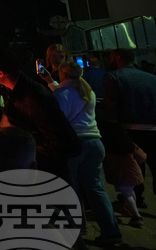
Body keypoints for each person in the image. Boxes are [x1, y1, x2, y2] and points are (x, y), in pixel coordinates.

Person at [0, 48, 80, 180]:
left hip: (47, 177)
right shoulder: (14, 93)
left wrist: (21, 152)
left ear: (0, 72)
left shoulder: (33, 97)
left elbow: (66, 143)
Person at [53, 61, 121, 244]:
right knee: (96, 187)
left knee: (72, 187)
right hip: (95, 142)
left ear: (62, 74)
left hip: (76, 144)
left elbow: (60, 120)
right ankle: (111, 231)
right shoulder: (88, 91)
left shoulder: (62, 93)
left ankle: (76, 231)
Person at [103, 47, 156, 214]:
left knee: (133, 166)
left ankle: (135, 201)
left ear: (118, 58)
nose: (109, 61)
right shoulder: (154, 78)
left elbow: (112, 106)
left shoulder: (113, 77)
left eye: (111, 57)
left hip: (131, 127)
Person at [101, 120, 147, 229]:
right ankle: (132, 211)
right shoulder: (130, 145)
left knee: (127, 193)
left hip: (120, 175)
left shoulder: (110, 149)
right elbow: (142, 157)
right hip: (133, 173)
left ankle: (136, 216)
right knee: (130, 192)